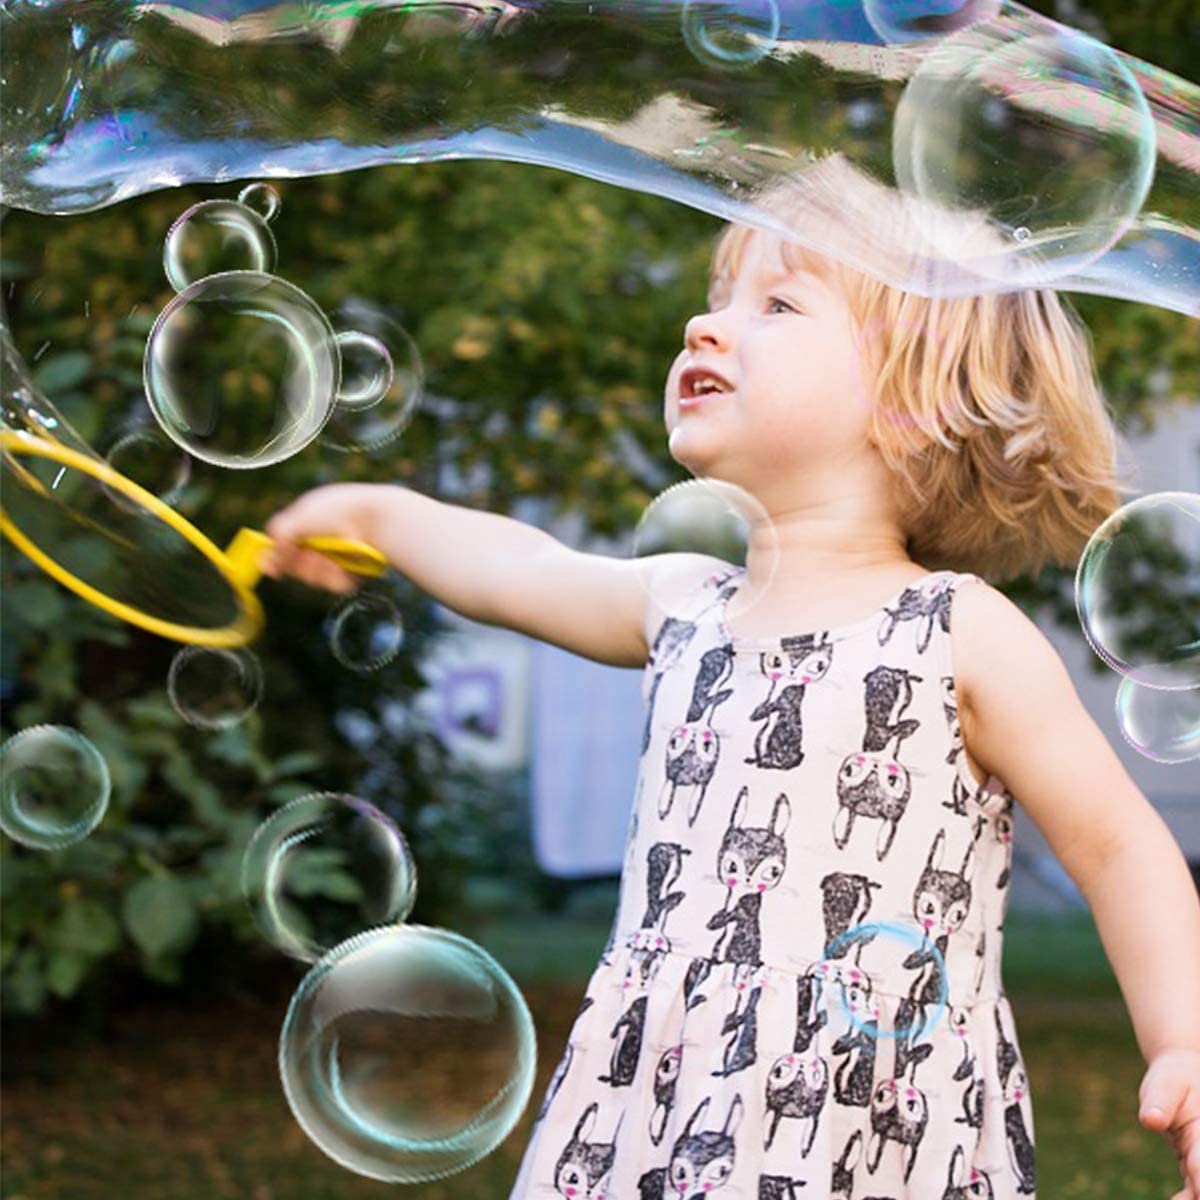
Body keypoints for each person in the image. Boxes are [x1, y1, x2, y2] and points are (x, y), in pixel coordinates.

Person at [262, 155, 1200, 1200]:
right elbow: (521, 568)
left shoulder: (956, 632)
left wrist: (1186, 1042)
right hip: (652, 1099)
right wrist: (381, 516)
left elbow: (1118, 847)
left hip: (866, 1116)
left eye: (777, 303)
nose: (703, 329)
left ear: (912, 402)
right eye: (714, 302)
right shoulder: (680, 605)